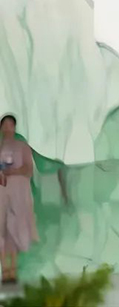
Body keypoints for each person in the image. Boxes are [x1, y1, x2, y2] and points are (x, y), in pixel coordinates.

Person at [0, 114, 38, 285]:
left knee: (14, 228)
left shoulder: (22, 146)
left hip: (17, 194)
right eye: (5, 124)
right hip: (1, 193)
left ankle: (13, 271)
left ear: (15, 127)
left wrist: (12, 171)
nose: (8, 128)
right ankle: (4, 271)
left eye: (11, 124)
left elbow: (28, 170)